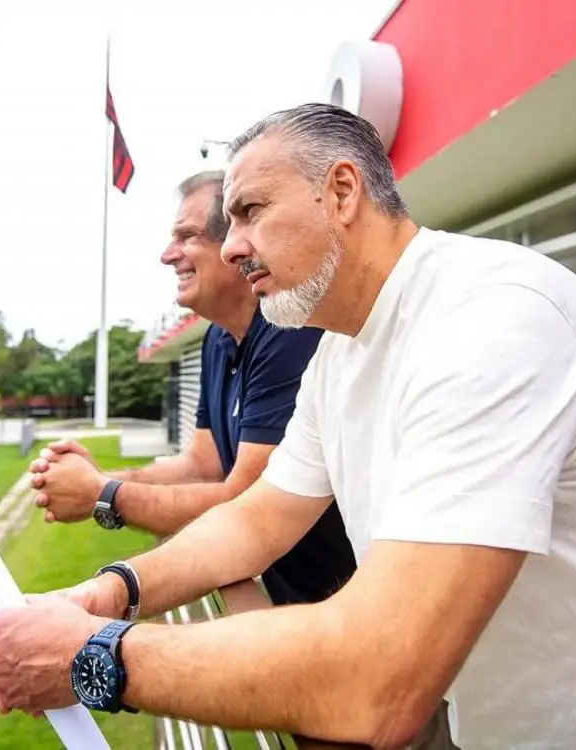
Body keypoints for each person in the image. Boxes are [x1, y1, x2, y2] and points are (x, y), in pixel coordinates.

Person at [0, 104, 576, 749]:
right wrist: (104, 594)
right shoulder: (342, 353)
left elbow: (376, 683)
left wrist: (91, 657)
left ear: (343, 192)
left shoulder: (492, 318)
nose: (233, 245)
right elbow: (255, 522)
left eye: (248, 211)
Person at [28, 169, 357, 607]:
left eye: (187, 236)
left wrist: (101, 496)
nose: (168, 255)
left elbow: (244, 498)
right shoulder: (217, 339)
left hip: (346, 606)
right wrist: (99, 479)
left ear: (236, 246)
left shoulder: (289, 333)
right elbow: (203, 465)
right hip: (291, 599)